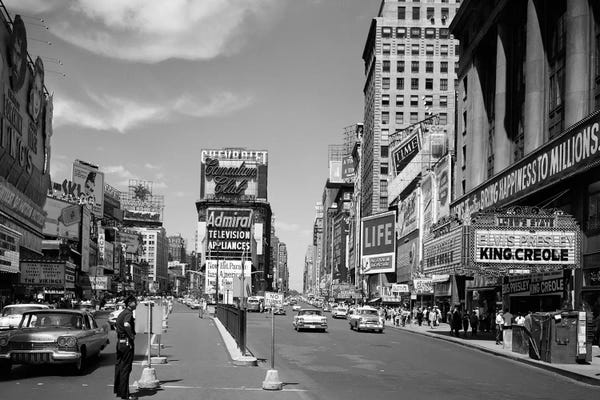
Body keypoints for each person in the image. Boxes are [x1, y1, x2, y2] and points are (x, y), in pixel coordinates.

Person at [114, 295, 138, 400]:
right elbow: (127, 324)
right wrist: (131, 336)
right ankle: (125, 395)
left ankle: (120, 391)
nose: (136, 304)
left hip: (120, 342)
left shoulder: (122, 313)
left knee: (120, 366)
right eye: (134, 302)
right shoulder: (128, 313)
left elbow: (116, 326)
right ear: (129, 304)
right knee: (126, 368)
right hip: (127, 343)